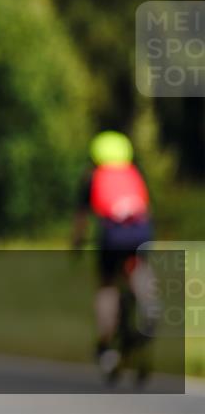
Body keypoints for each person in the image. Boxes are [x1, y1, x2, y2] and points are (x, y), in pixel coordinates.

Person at [72, 130, 156, 379]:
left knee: (107, 286)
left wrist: (76, 244)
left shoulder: (93, 176)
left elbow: (81, 218)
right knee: (137, 265)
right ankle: (148, 302)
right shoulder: (134, 174)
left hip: (113, 236)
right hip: (140, 232)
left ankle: (106, 344)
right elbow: (146, 209)